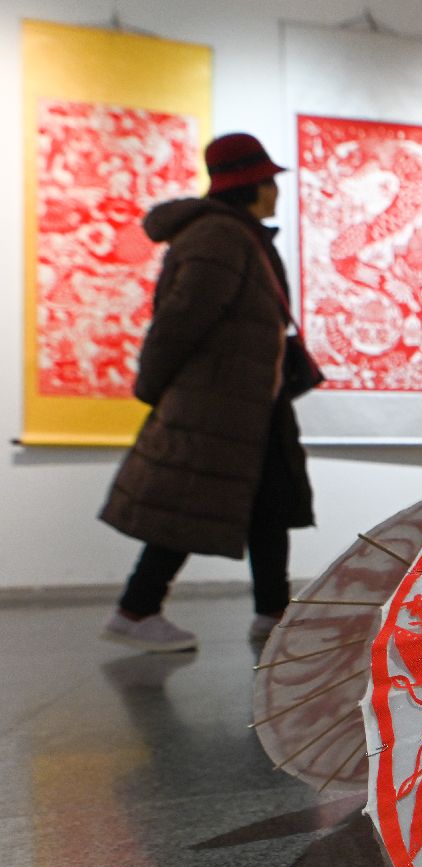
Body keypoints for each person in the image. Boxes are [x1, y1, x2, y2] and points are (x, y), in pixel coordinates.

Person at [99, 132, 315, 652]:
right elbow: (179, 321)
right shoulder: (218, 237)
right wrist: (154, 388)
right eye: (270, 182)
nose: (277, 191)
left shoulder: (237, 235)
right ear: (251, 185)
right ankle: (136, 610)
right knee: (186, 506)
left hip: (249, 406)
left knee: (268, 501)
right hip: (216, 407)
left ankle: (272, 611)